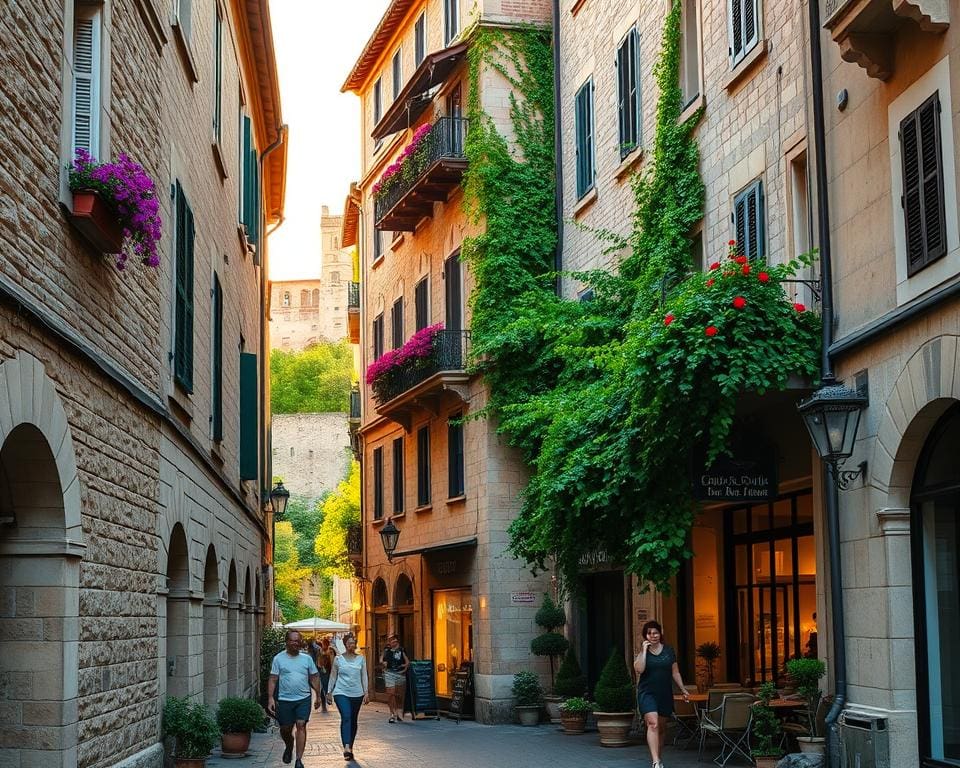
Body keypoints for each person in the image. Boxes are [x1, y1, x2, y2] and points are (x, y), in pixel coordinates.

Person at [634, 620, 691, 768]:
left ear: (660, 634)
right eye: (649, 633)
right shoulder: (642, 653)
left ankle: (658, 756)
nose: (652, 635)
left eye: (655, 632)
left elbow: (675, 672)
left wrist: (683, 689)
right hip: (647, 693)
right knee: (653, 724)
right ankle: (656, 762)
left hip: (664, 693)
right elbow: (639, 669)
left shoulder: (669, 651)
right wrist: (644, 651)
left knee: (661, 728)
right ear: (645, 636)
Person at [266, 630, 322, 768]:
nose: (296, 643)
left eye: (298, 641)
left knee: (301, 725)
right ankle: (289, 745)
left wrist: (318, 696)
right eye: (293, 640)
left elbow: (314, 677)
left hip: (303, 698)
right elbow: (273, 679)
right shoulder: (279, 659)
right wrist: (270, 698)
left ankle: (298, 760)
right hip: (285, 700)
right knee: (285, 729)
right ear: (287, 642)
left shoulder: (307, 659)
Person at [329, 633, 369, 761]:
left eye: (354, 643)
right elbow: (333, 676)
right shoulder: (338, 659)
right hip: (341, 692)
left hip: (357, 693)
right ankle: (346, 746)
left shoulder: (361, 659)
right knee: (346, 716)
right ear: (345, 644)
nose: (352, 645)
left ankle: (350, 746)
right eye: (350, 643)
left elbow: (364, 676)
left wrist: (366, 692)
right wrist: (329, 691)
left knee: (353, 720)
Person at [381, 633, 410, 723]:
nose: (394, 643)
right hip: (389, 673)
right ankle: (392, 713)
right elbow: (381, 659)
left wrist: (404, 667)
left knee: (399, 695)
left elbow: (407, 662)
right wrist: (383, 663)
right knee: (391, 694)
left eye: (396, 642)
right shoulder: (387, 650)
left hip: (399, 674)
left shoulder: (401, 650)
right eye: (392, 642)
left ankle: (399, 712)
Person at [317, 636, 337, 712]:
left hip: (328, 671)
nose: (323, 645)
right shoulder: (320, 651)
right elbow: (318, 662)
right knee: (323, 687)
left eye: (324, 643)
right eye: (323, 643)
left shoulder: (330, 650)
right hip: (323, 672)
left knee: (327, 686)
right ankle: (325, 702)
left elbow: (333, 661)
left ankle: (327, 699)